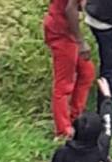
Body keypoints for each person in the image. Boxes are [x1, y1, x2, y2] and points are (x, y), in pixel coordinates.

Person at [43, 0, 96, 138]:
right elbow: (70, 9)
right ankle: (63, 130)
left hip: (66, 29)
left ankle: (75, 117)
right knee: (64, 83)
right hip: (61, 31)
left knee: (87, 73)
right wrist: (81, 42)